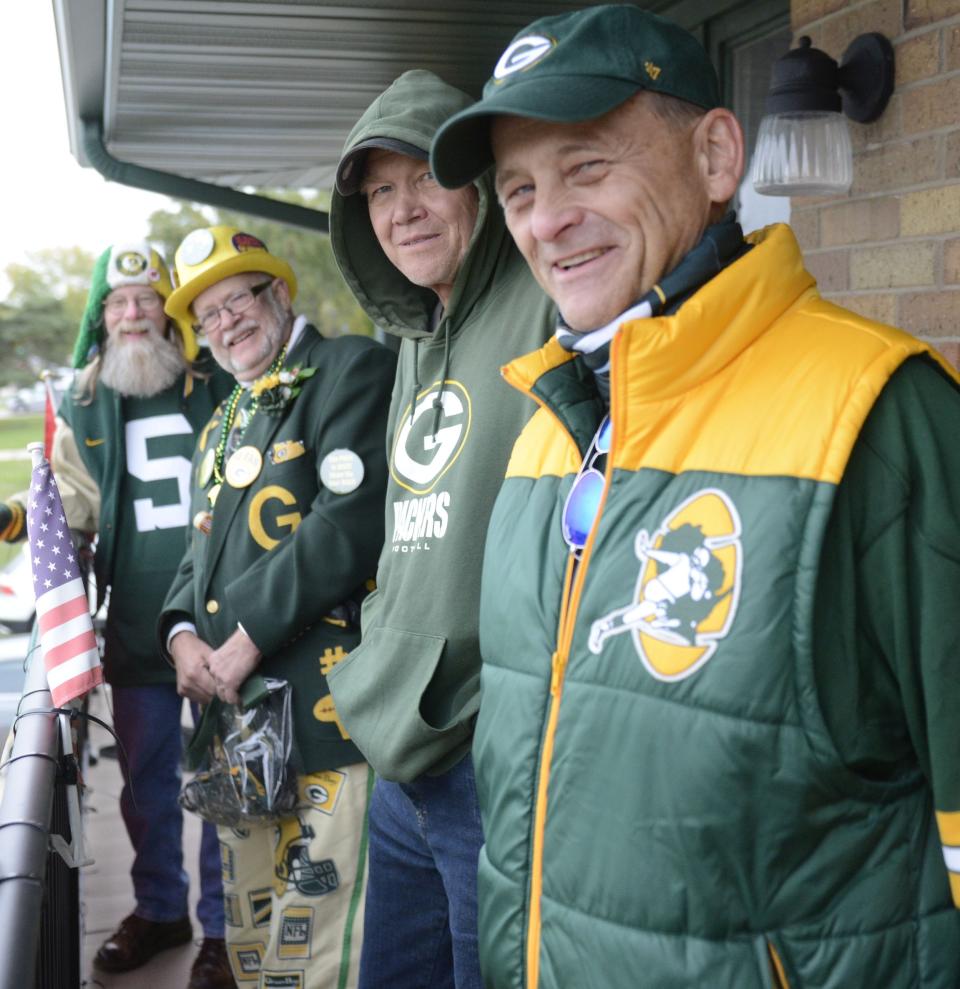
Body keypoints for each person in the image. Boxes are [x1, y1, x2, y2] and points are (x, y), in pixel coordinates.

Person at [430, 6, 960, 987]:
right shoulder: (547, 425)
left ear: (718, 156)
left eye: (588, 166)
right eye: (519, 189)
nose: (547, 221)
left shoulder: (880, 414)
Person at [325, 69, 554, 988]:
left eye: (423, 176)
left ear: (479, 186)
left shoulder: (548, 302)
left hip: (489, 767)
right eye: (380, 192)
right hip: (399, 761)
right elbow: (402, 530)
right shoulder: (413, 339)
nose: (402, 210)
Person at [158, 225, 395, 989]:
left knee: (319, 939)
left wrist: (243, 642)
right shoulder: (223, 419)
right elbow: (199, 551)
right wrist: (183, 634)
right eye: (208, 316)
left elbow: (348, 521)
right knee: (254, 936)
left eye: (238, 301)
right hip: (237, 725)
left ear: (280, 294)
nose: (226, 324)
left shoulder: (349, 367)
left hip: (324, 719)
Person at [1, 240, 235, 988]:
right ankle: (161, 907)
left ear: (170, 311)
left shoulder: (220, 381)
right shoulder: (88, 399)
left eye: (146, 300)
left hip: (228, 624)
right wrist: (16, 522)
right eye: (118, 302)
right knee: (145, 786)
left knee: (228, 783)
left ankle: (226, 930)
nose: (133, 313)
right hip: (137, 623)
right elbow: (70, 503)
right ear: (102, 318)